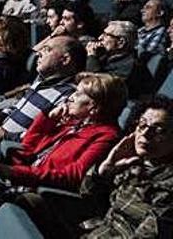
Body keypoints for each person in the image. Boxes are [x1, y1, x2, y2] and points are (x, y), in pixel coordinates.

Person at [19, 96, 173, 237]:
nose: (145, 133)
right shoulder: (132, 160)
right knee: (27, 203)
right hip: (93, 228)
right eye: (142, 125)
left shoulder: (168, 183)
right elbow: (87, 196)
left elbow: (148, 235)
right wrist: (103, 171)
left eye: (158, 130)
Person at [0, 73, 126, 191]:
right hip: (23, 175)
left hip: (41, 190)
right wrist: (47, 119)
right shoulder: (73, 122)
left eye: (78, 94)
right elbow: (27, 150)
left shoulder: (107, 136)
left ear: (94, 107)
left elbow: (72, 176)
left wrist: (14, 173)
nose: (70, 97)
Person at [0, 36, 88, 144]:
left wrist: (7, 136)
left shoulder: (68, 96)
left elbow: (47, 138)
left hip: (9, 149)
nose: (38, 53)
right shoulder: (41, 81)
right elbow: (18, 107)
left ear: (65, 59)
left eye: (47, 50)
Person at [86, 20, 152, 97]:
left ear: (121, 42)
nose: (100, 37)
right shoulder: (106, 56)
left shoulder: (129, 66)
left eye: (106, 35)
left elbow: (98, 87)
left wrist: (92, 56)